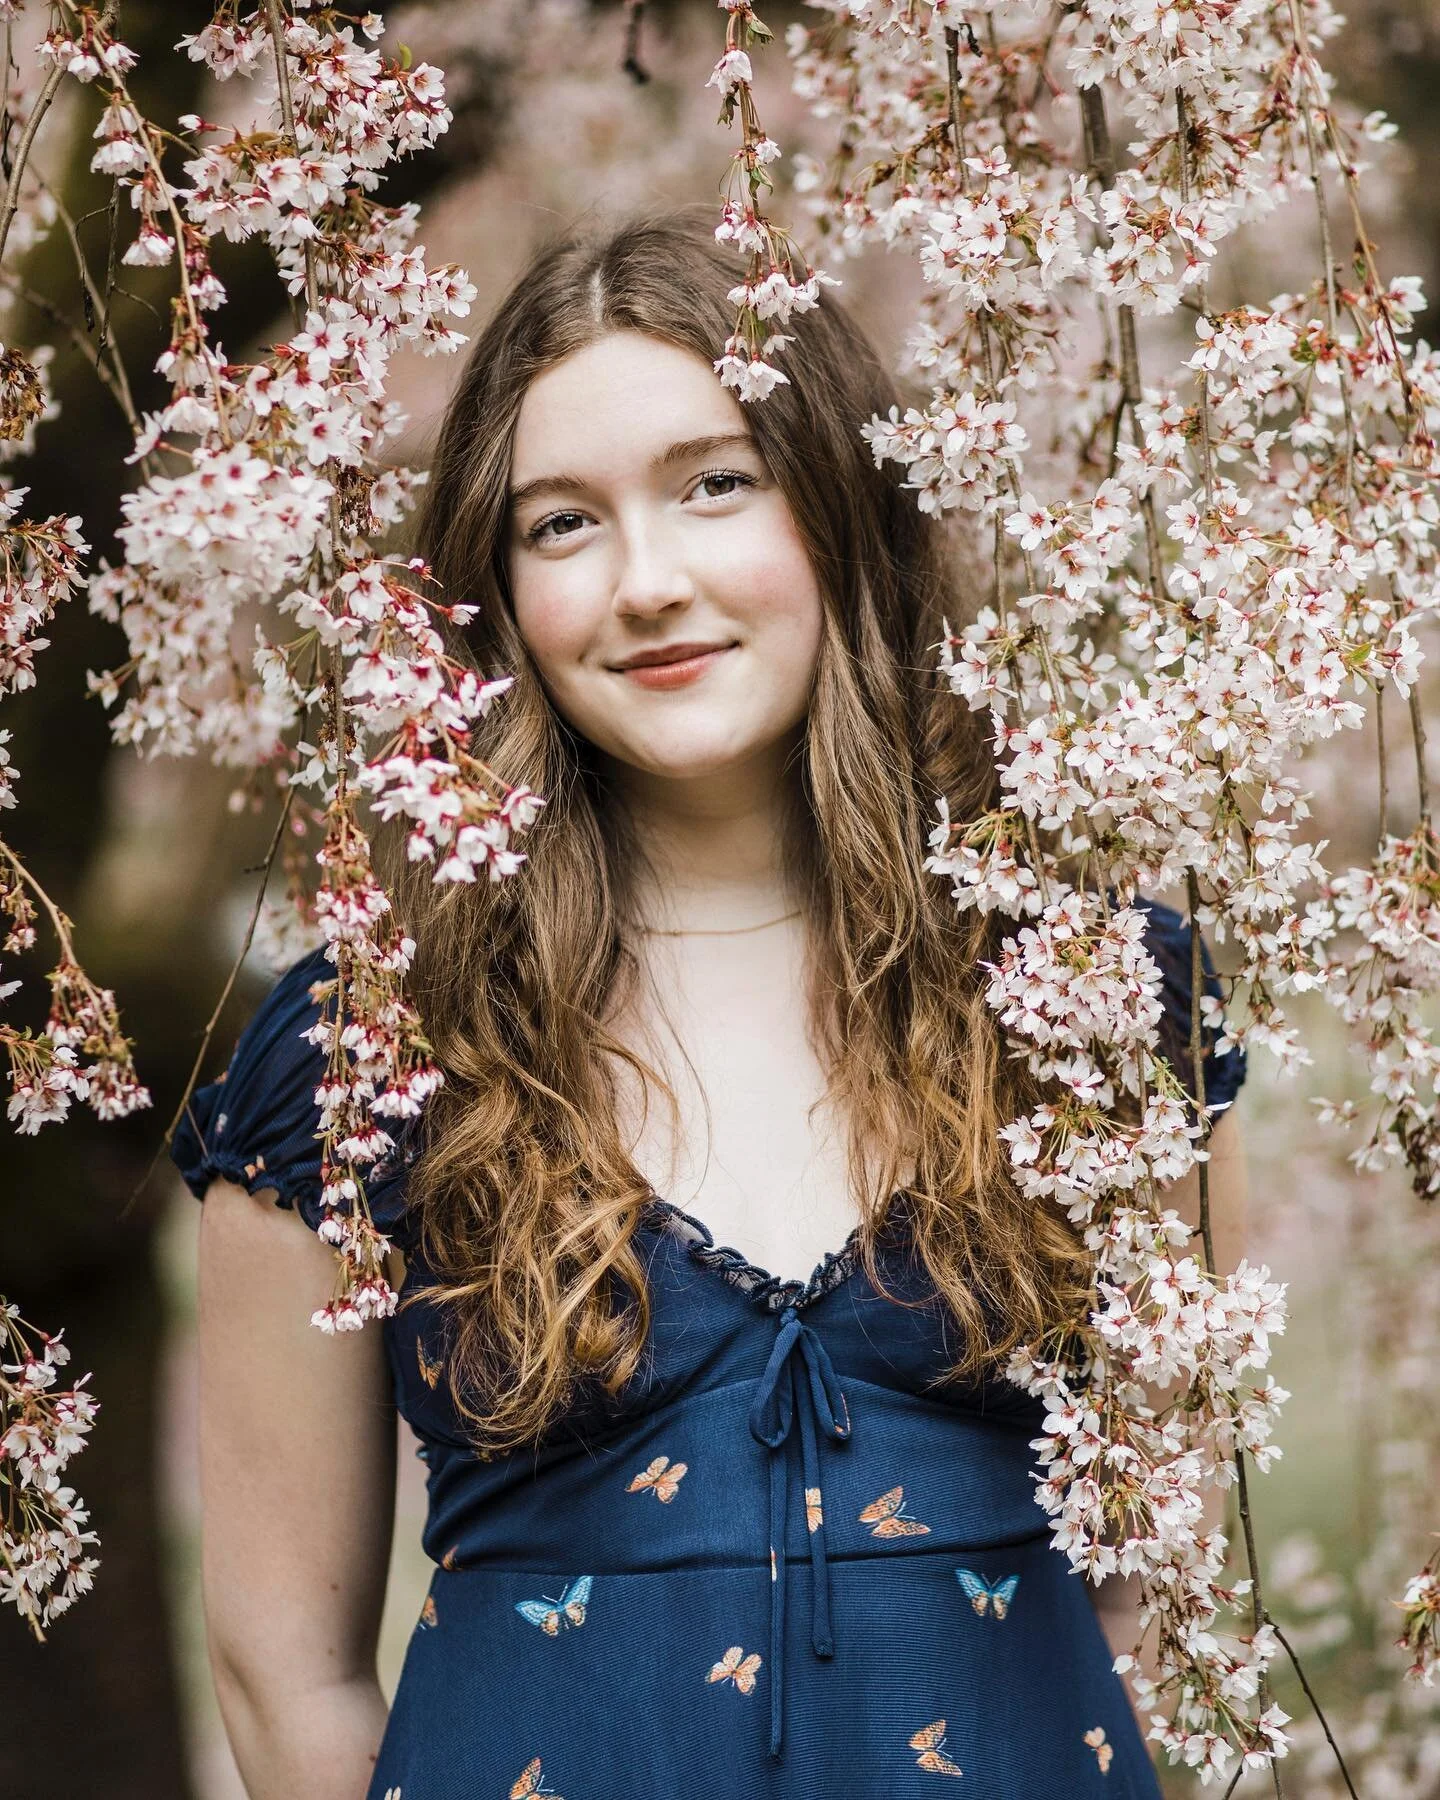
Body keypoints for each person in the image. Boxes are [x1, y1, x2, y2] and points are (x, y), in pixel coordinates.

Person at [174, 209, 1248, 1800]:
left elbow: (1150, 1588)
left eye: (715, 483)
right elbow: (285, 1669)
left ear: (841, 505)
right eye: (561, 525)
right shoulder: (362, 1054)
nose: (646, 584)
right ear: (490, 595)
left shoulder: (1096, 999)